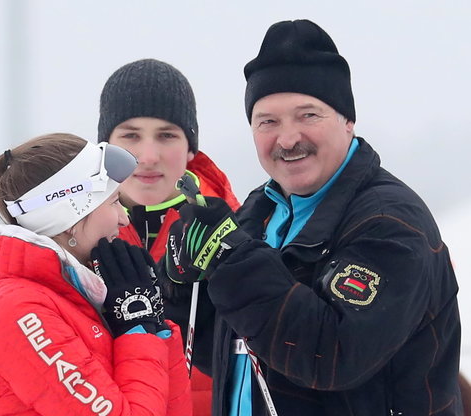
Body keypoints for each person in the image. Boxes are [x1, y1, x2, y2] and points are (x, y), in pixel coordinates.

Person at [164, 20, 462, 415]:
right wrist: (183, 287)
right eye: (268, 121)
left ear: (348, 121)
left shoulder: (392, 223)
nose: (287, 139)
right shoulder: (259, 211)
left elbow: (332, 355)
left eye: (308, 115)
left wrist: (234, 260)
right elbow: (230, 350)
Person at [0, 133, 192, 415]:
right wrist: (135, 330)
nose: (124, 218)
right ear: (67, 216)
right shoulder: (19, 310)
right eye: (113, 202)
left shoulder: (85, 294)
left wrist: (152, 325)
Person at [97, 58, 240, 416]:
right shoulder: (72, 240)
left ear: (191, 148)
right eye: (130, 135)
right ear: (105, 147)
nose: (148, 156)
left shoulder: (236, 235)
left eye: (167, 135)